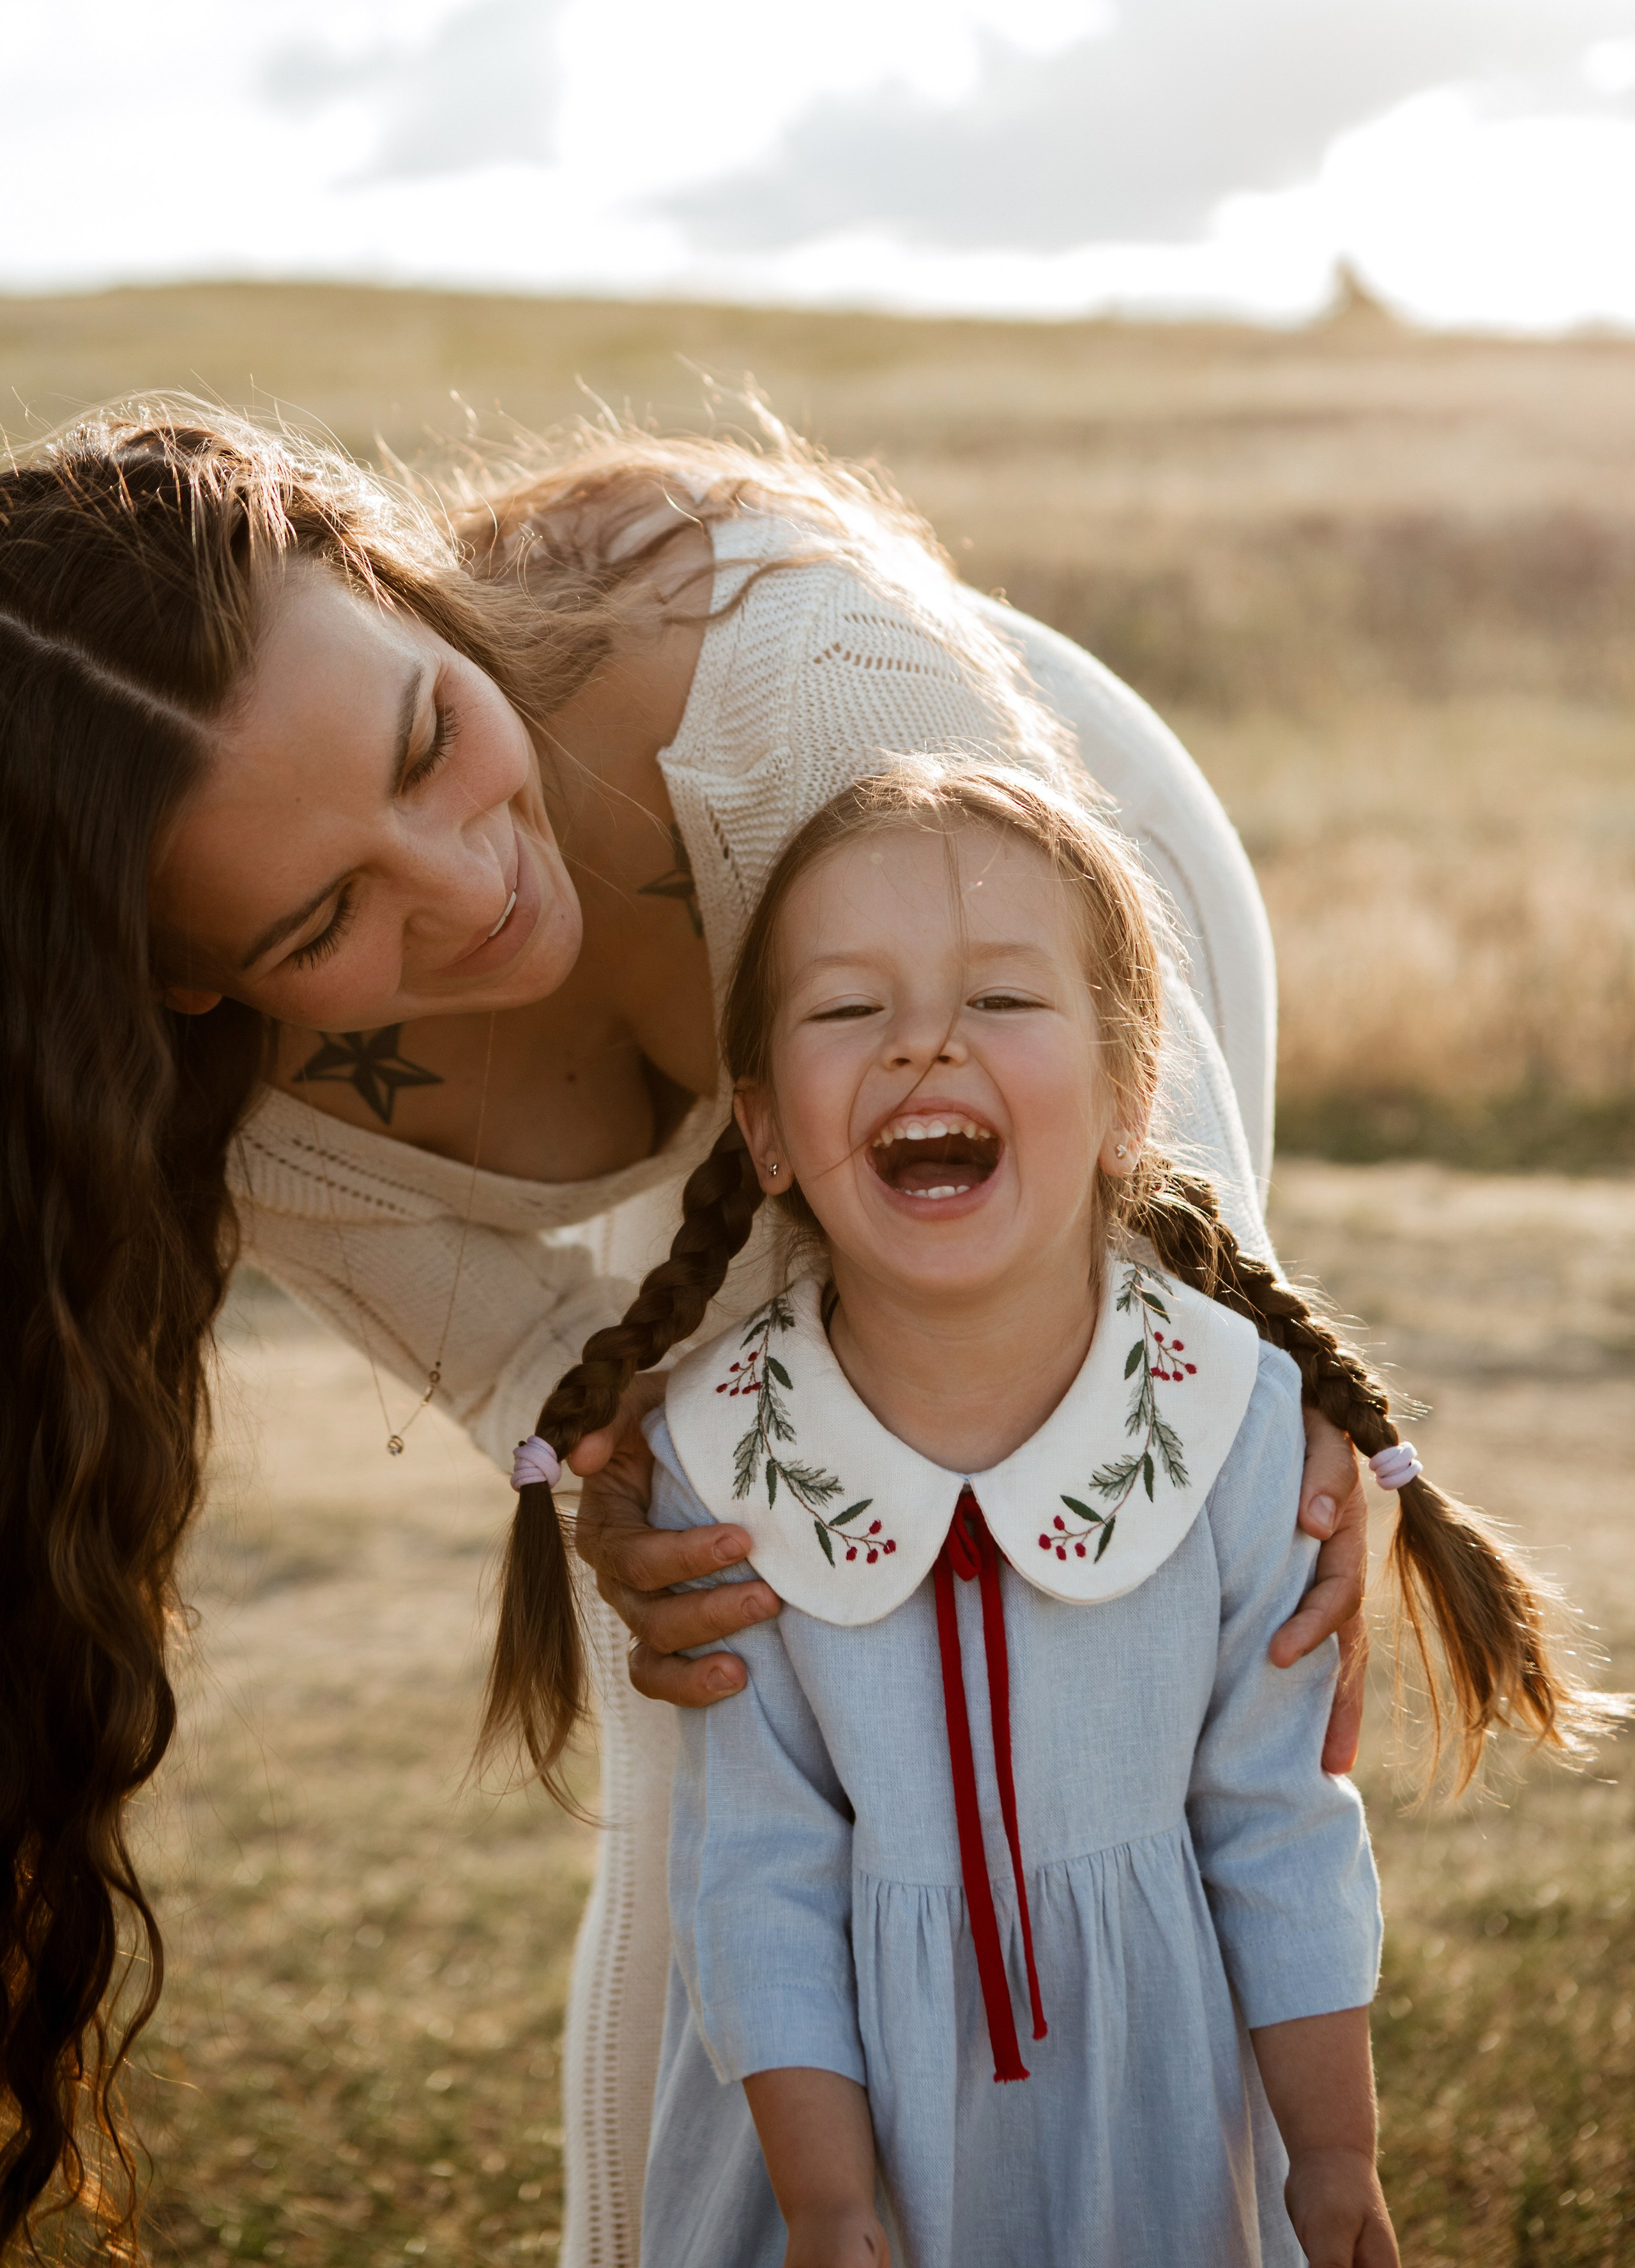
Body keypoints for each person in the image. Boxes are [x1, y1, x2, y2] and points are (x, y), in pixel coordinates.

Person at [0, 400, 1362, 2263]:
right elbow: (539, 1383)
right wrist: (620, 1506)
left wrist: (1265, 1424)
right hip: (770, 1079)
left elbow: (1146, 1247)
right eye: (329, 914)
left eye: (426, 742)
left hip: (1032, 871)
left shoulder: (804, 688)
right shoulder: (227, 1111)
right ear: (185, 973)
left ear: (385, 578)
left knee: (1102, 1651)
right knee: (724, 1685)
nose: (469, 891)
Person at [525, 761, 1604, 2268]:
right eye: (848, 1010)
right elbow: (757, 1884)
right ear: (767, 1134)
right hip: (844, 2148)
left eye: (1001, 1002)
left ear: (1125, 1097)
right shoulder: (724, 1462)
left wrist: (1335, 2160)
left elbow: (1276, 1827)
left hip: (1156, 2127)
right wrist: (830, 2212)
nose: (922, 1043)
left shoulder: (1227, 1421)